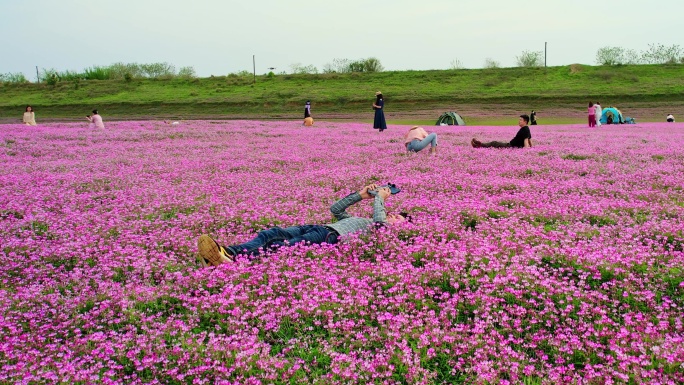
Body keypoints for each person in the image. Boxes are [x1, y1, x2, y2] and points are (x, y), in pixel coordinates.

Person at [196, 183, 408, 266]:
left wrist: (380, 198)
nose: (392, 217)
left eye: (398, 219)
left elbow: (381, 223)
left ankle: (235, 264)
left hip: (328, 238)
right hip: (319, 227)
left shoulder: (380, 231)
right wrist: (359, 196)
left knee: (284, 247)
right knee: (271, 233)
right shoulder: (365, 221)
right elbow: (335, 210)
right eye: (394, 214)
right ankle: (227, 251)